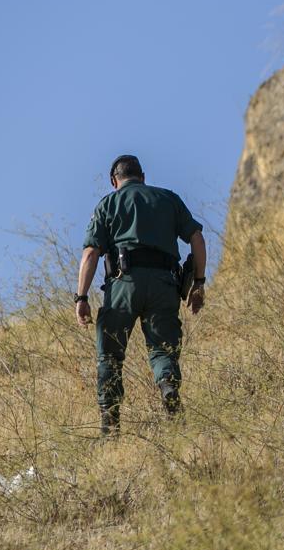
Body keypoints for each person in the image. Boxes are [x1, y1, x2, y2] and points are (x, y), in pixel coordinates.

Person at [74, 155, 207, 437]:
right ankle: (169, 390)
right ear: (143, 176)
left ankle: (110, 427)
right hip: (164, 284)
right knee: (163, 350)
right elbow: (197, 237)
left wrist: (81, 298)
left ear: (114, 182)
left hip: (124, 284)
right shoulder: (168, 199)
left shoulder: (108, 204)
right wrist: (199, 282)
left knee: (109, 356)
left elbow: (90, 254)